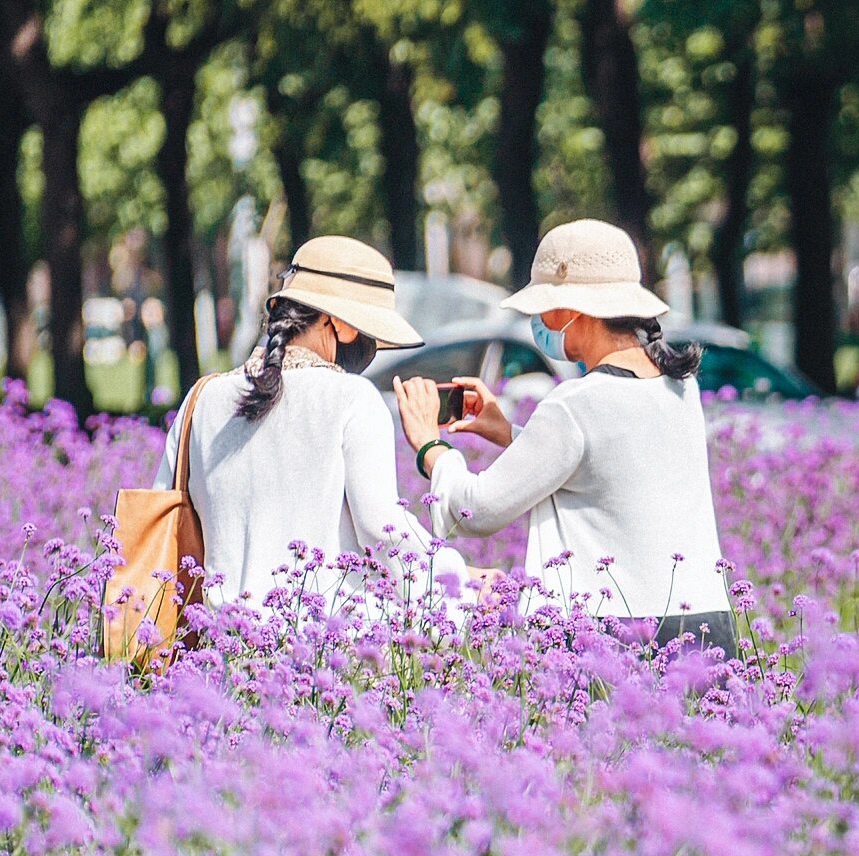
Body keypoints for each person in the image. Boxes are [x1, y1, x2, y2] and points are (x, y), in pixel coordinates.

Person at [394, 219, 735, 655]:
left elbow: (475, 510)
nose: (540, 321)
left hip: (620, 635)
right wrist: (510, 434)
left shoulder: (575, 403)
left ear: (568, 311)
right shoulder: (678, 388)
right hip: (707, 629)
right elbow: (603, 466)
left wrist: (430, 447)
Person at [153, 235, 470, 614]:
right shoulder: (353, 398)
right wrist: (455, 576)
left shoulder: (202, 398)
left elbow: (163, 514)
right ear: (343, 326)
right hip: (321, 650)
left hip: (220, 651)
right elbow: (381, 529)